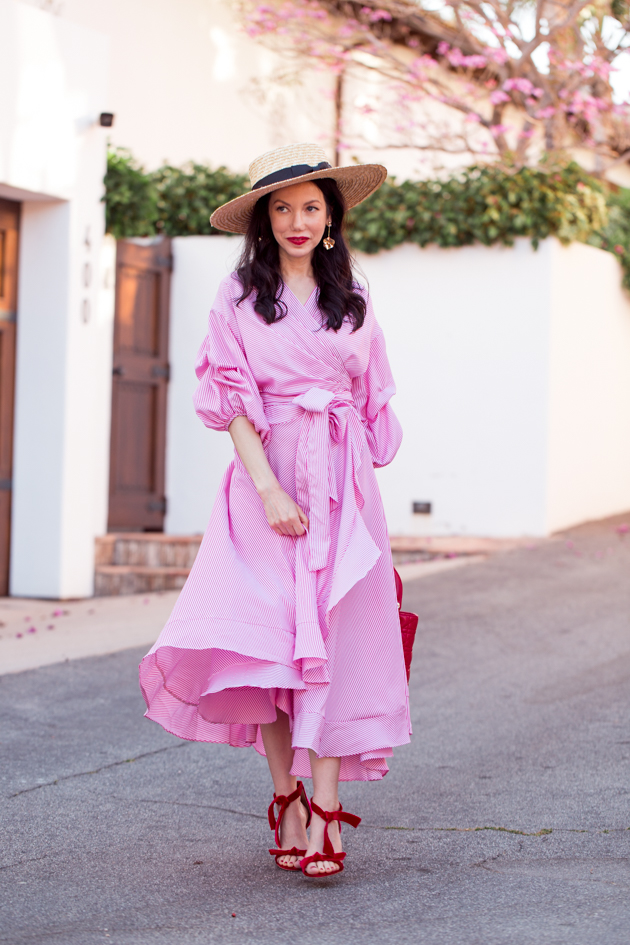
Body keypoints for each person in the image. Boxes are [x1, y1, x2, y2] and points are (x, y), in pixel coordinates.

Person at [139, 143, 411, 878]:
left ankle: (325, 811)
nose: (297, 219)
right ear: (264, 219)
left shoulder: (353, 295)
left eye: (311, 207)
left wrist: (351, 480)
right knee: (272, 646)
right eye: (282, 207)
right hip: (268, 478)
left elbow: (372, 400)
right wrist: (267, 488)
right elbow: (230, 402)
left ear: (331, 218)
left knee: (335, 641)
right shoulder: (235, 299)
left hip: (343, 484)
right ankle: (286, 796)